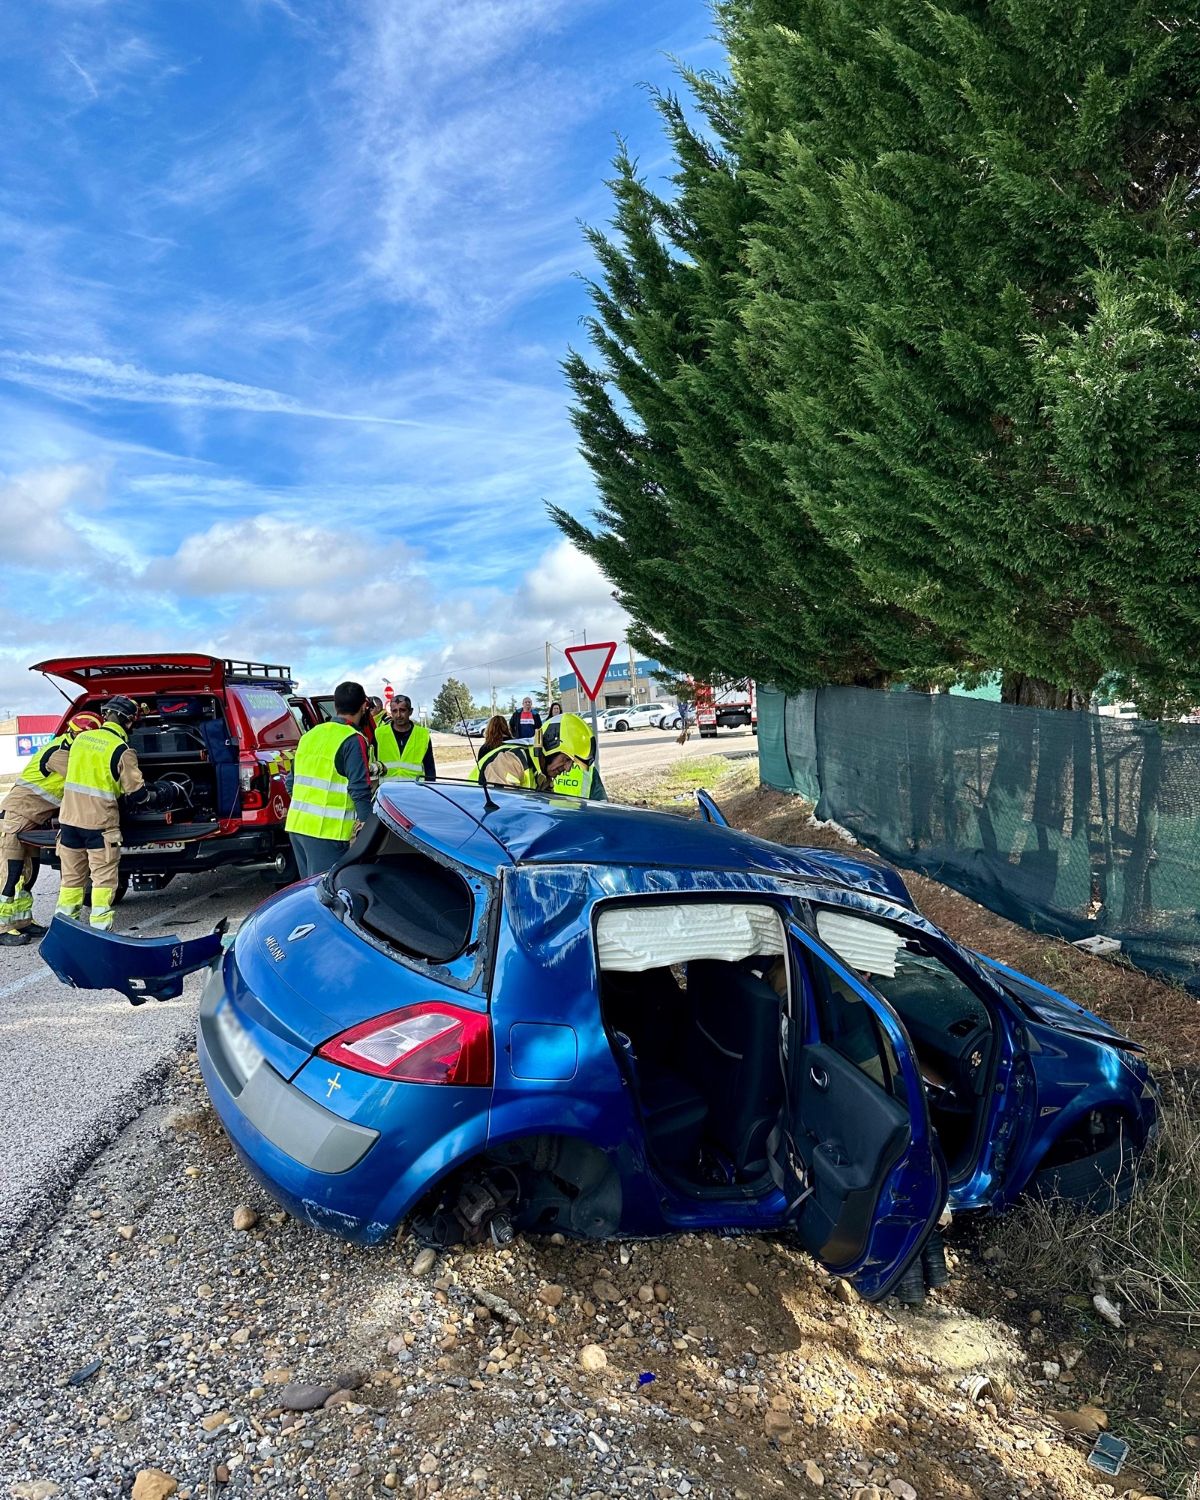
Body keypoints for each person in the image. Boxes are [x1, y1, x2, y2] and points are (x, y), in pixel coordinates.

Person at [53, 698, 180, 932]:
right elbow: (138, 795)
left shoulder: (80, 739)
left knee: (71, 879)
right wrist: (163, 793)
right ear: (129, 721)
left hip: (68, 822)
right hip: (98, 826)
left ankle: (65, 927)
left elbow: (60, 764)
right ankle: (100, 930)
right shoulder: (121, 750)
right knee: (102, 880)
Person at [0, 712, 101, 946]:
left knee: (28, 874)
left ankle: (23, 921)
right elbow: (85, 779)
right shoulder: (59, 753)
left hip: (31, 820)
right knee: (9, 875)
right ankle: (3, 926)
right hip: (15, 818)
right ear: (73, 733)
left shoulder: (73, 750)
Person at [284, 680, 374, 878]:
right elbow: (359, 789)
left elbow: (290, 782)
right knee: (328, 895)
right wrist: (368, 827)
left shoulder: (310, 735)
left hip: (297, 827)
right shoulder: (353, 739)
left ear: (335, 706)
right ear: (363, 707)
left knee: (309, 890)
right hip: (327, 833)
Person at [471, 712, 605, 800]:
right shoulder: (512, 761)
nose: (568, 768)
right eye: (566, 759)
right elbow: (502, 814)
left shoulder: (542, 775)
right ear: (549, 745)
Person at [375, 694, 436, 782]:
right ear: (391, 712)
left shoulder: (423, 735)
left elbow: (429, 768)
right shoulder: (379, 733)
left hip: (414, 792)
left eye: (402, 710)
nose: (398, 715)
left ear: (410, 711)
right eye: (394, 711)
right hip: (387, 791)